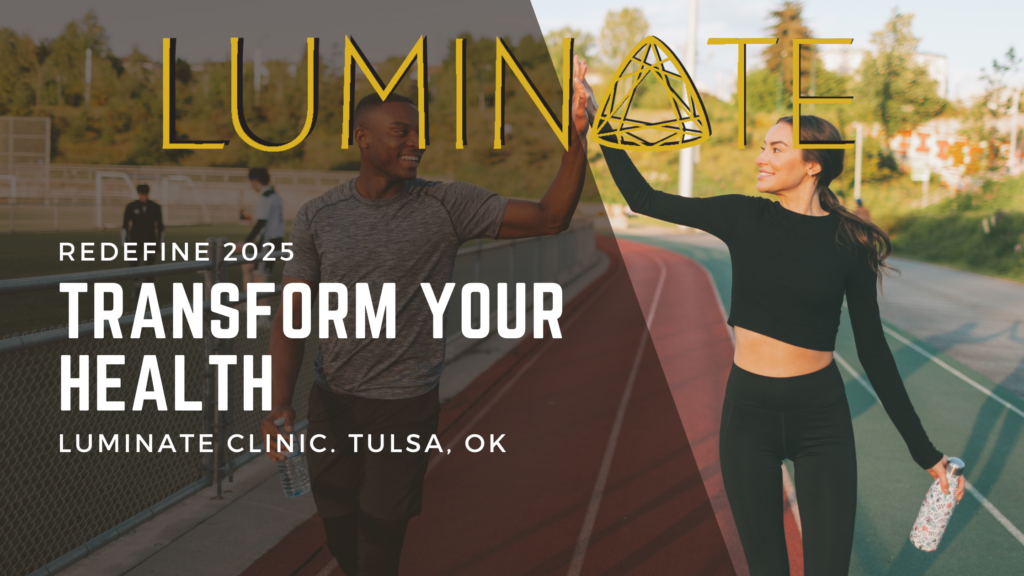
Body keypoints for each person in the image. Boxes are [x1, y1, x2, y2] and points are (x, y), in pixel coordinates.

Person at [575, 69, 962, 575]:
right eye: (763, 147)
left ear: (812, 165)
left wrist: (926, 454)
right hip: (748, 417)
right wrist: (597, 116)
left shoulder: (852, 244)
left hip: (820, 418)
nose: (760, 157)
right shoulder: (744, 216)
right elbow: (643, 199)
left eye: (776, 149)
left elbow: (873, 351)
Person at [260, 58, 592, 575]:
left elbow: (551, 217)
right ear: (362, 139)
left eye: (419, 133)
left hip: (405, 405)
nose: (416, 142)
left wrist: (577, 139)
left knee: (379, 543)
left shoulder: (447, 204)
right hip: (333, 401)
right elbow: (291, 314)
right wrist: (279, 401)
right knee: (340, 529)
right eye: (400, 132)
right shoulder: (318, 216)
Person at [241, 167, 285, 286]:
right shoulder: (275, 196)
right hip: (273, 240)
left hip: (268, 242)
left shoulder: (265, 198)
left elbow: (261, 223)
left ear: (255, 181)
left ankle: (257, 305)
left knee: (260, 283)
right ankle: (247, 303)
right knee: (246, 266)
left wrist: (245, 242)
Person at [121, 183, 164, 300]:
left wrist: (160, 244)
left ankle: (147, 292)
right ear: (138, 194)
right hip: (134, 242)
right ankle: (137, 285)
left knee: (149, 268)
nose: (143, 196)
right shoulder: (131, 206)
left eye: (145, 194)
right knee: (133, 266)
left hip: (150, 242)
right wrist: (124, 242)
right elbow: (125, 225)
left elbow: (160, 227)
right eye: (141, 194)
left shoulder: (155, 207)